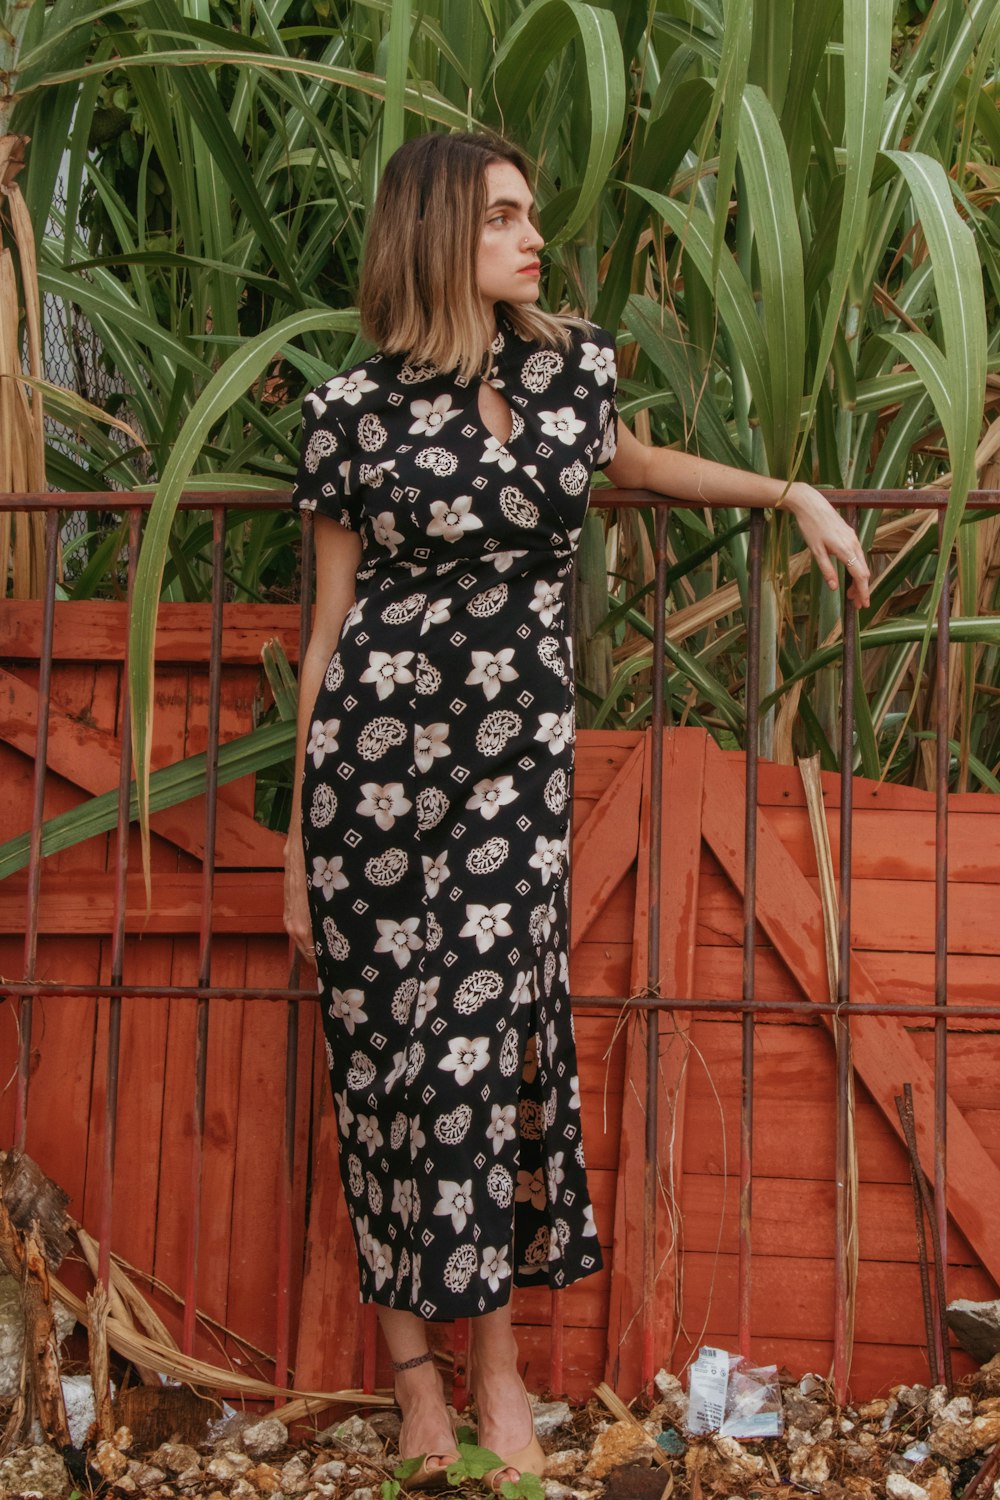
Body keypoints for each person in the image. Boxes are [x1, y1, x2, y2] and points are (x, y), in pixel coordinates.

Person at [283, 131, 871, 1489]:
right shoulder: (349, 413)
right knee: (383, 1071)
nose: (531, 234)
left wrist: (794, 494)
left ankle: (497, 1369)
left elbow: (645, 469)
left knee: (483, 1062)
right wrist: (300, 861)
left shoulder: (563, 373)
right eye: (502, 216)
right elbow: (326, 641)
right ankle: (414, 1379)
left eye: (532, 214)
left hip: (512, 782)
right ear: (436, 232)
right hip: (374, 779)